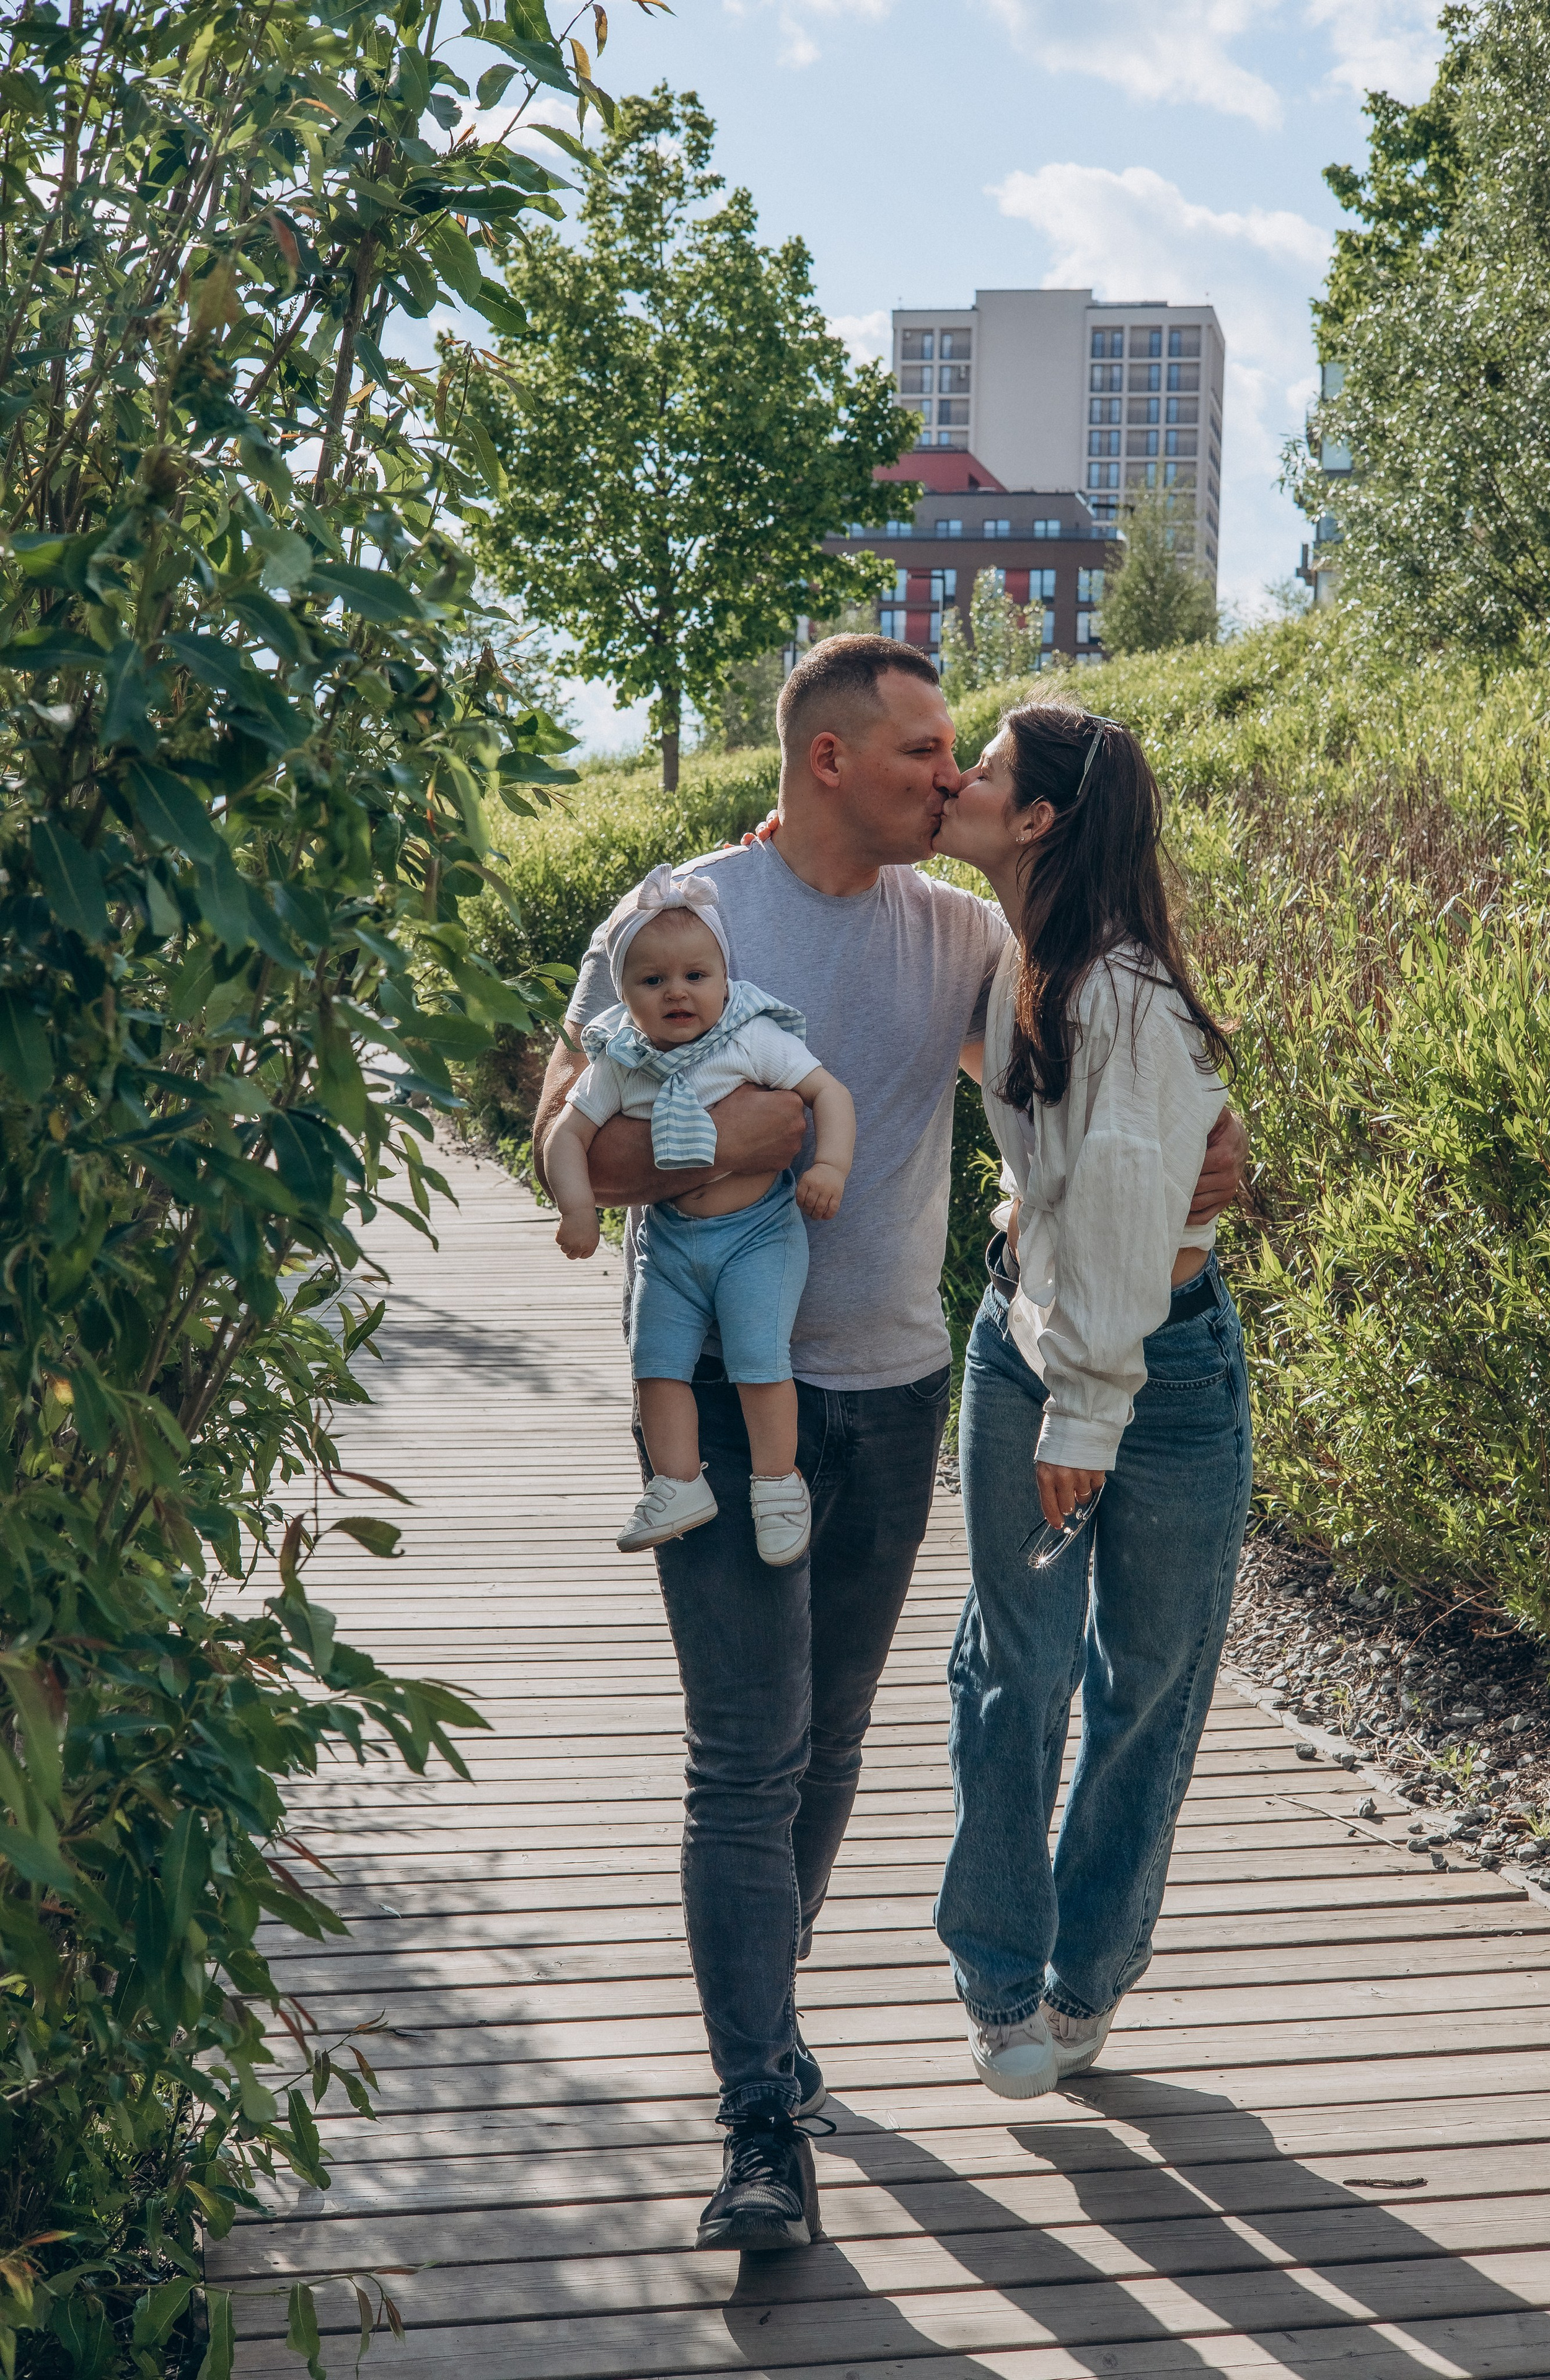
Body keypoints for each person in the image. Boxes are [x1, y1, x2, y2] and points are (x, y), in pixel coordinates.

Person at [532, 637, 1248, 2251]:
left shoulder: (965, 936)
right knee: (747, 1755)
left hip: (899, 1386)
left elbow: (1085, 1068)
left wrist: (1212, 1123)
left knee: (835, 1740)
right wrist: (736, 1136)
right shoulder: (685, 911)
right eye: (927, 750)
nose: (950, 776)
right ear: (832, 761)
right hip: (722, 1385)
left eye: (963, 753)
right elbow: (562, 1116)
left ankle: (767, 2041)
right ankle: (762, 2122)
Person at [931, 702, 1254, 2099]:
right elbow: (1054, 1144)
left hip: (1145, 1368)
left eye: (981, 770)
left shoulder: (1116, 987)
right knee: (1016, 1667)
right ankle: (998, 1974)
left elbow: (1129, 1204)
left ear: (1039, 818)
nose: (953, 778)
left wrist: (1087, 1409)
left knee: (1147, 1677)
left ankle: (1083, 1977)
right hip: (1027, 1334)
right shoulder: (1020, 960)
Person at [542, 862, 856, 1567]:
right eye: (652, 982)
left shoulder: (750, 1036)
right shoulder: (621, 1059)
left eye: (695, 975)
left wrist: (830, 1165)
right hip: (670, 1242)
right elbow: (566, 1133)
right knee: (655, 1364)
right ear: (624, 997)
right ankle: (677, 1482)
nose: (676, 992)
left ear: (724, 979)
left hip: (756, 1237)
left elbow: (827, 1092)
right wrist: (578, 1208)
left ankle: (778, 1482)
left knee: (757, 1360)